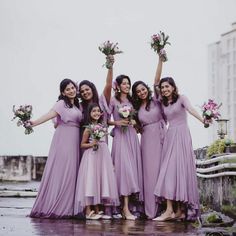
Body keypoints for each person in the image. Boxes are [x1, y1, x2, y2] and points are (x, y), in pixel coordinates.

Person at [152, 77, 204, 221]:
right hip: (170, 136)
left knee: (178, 171)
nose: (164, 89)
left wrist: (203, 120)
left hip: (181, 135)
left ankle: (174, 210)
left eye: (167, 86)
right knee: (170, 171)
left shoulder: (182, 98)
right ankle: (176, 211)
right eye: (162, 87)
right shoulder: (163, 102)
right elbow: (155, 82)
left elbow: (191, 109)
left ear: (173, 87)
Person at [30, 79, 82, 218]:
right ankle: (58, 207)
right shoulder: (61, 104)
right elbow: (48, 115)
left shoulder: (77, 105)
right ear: (63, 92)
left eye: (72, 88)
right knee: (64, 171)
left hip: (74, 140)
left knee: (72, 172)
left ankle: (69, 207)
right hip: (64, 139)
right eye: (68, 89)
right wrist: (33, 123)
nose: (71, 90)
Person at [131, 55, 166, 219]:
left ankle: (166, 207)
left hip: (161, 138)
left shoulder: (157, 100)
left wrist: (160, 59)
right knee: (149, 174)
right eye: (138, 91)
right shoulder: (137, 108)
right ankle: (150, 209)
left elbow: (157, 81)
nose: (141, 92)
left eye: (143, 89)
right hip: (146, 141)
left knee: (162, 171)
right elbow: (138, 128)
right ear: (136, 95)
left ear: (147, 89)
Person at [74, 103, 120, 220]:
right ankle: (88, 210)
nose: (96, 113)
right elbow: (82, 144)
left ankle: (97, 209)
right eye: (93, 111)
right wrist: (92, 144)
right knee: (90, 181)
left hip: (102, 157)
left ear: (101, 113)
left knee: (99, 181)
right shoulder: (88, 128)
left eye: (97, 111)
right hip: (92, 156)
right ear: (89, 114)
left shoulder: (103, 127)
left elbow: (104, 142)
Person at [108, 74, 143, 220]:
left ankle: (128, 207)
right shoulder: (112, 100)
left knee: (131, 171)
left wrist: (134, 122)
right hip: (120, 137)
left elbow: (138, 119)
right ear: (118, 86)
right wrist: (117, 123)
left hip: (132, 137)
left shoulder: (132, 101)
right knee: (123, 171)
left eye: (128, 83)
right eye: (124, 83)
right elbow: (104, 119)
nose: (127, 86)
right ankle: (124, 208)